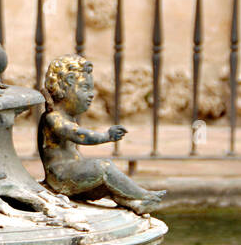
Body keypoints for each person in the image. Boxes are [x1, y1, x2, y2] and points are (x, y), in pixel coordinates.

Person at [38, 55, 165, 214]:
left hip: (70, 174)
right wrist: (106, 136)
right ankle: (144, 195)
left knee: (108, 186)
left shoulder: (64, 116)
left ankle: (135, 203)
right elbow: (78, 135)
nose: (91, 95)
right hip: (61, 177)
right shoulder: (54, 118)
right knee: (103, 167)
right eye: (85, 88)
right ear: (67, 85)